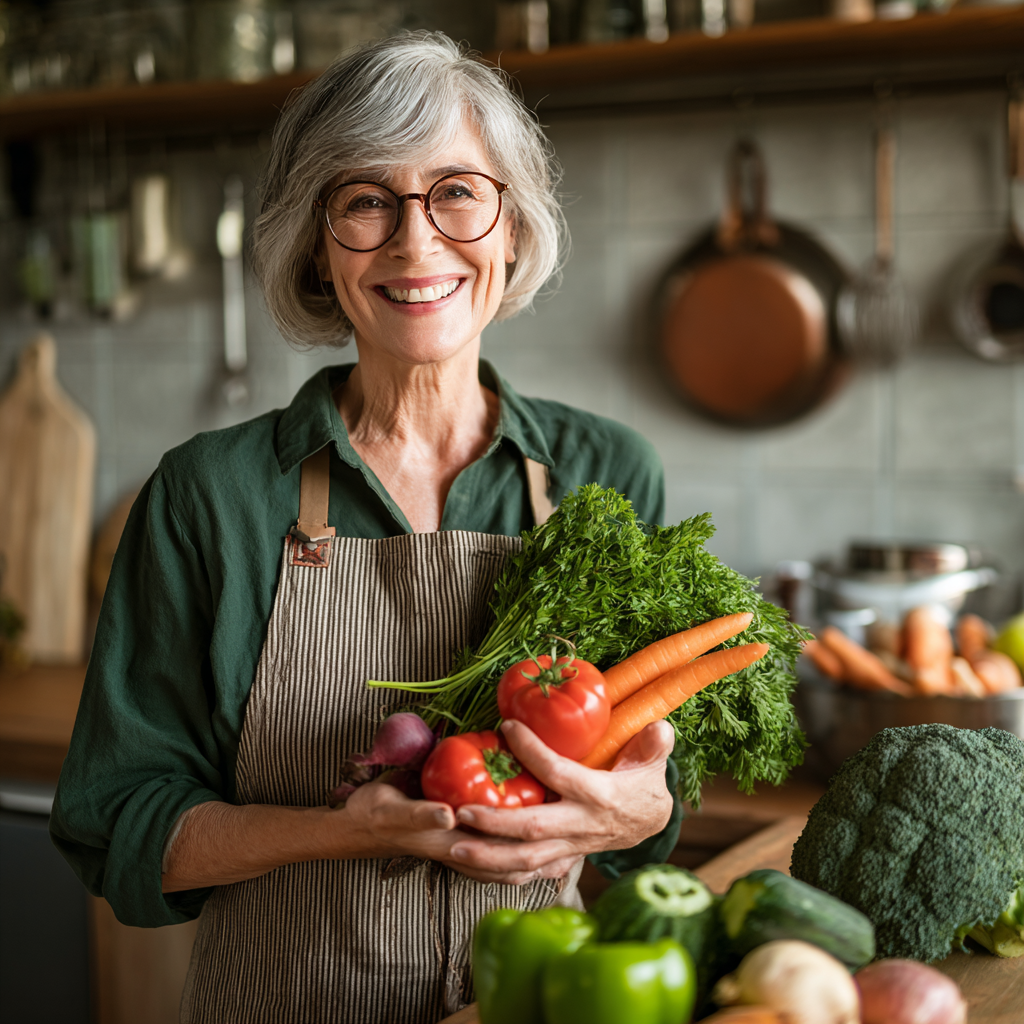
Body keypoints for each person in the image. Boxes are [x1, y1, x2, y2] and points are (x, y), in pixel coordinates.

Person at [51, 32, 680, 1024]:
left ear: (511, 227)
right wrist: (344, 831)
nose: (415, 242)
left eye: (458, 191)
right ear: (316, 240)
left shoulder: (603, 477)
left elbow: (642, 809)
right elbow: (119, 825)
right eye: (365, 201)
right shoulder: (207, 496)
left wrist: (644, 808)